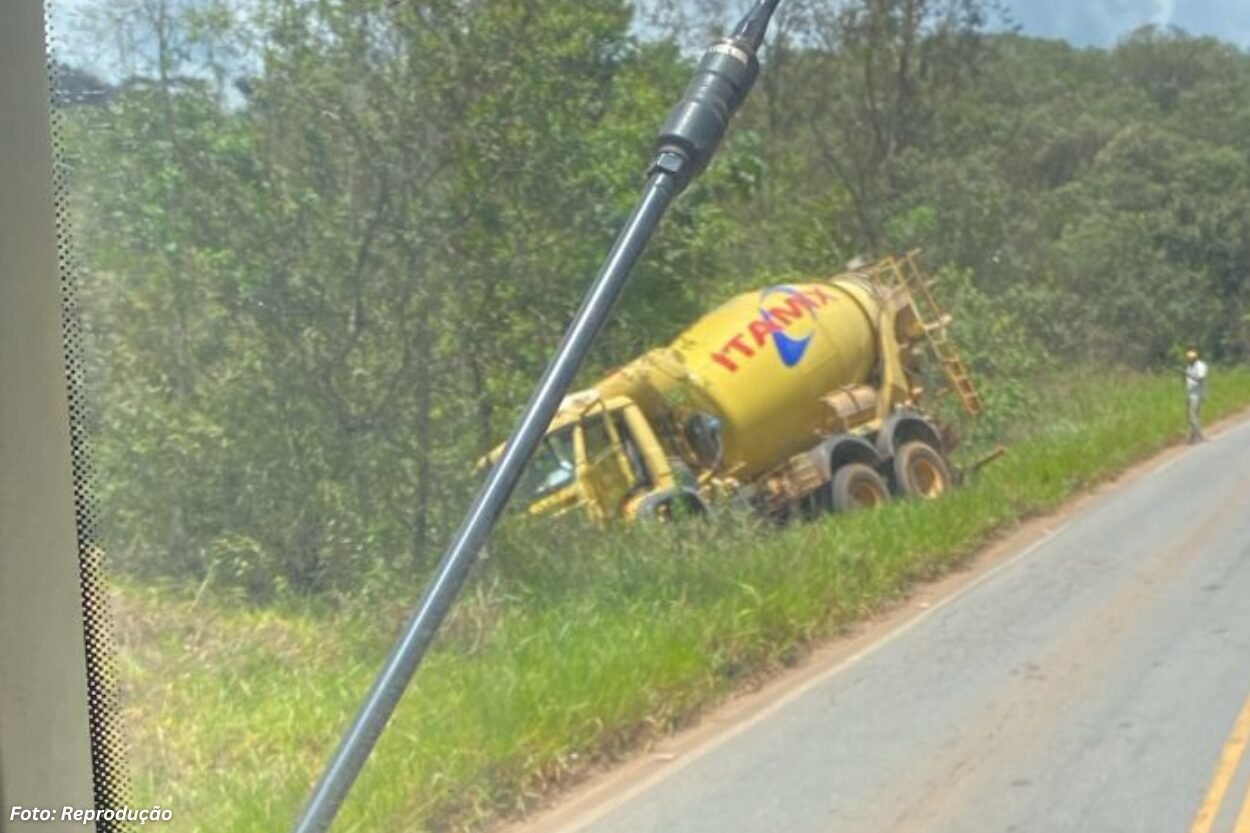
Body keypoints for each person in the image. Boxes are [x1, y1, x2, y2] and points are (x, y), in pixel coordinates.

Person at [1183, 347, 1208, 444]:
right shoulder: (1189, 366)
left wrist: (1189, 376)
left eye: (1191, 358)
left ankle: (1197, 435)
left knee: (1192, 415)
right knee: (1192, 416)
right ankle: (1193, 435)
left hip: (1197, 394)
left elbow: (1200, 378)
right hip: (1190, 393)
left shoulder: (1200, 366)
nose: (1190, 360)